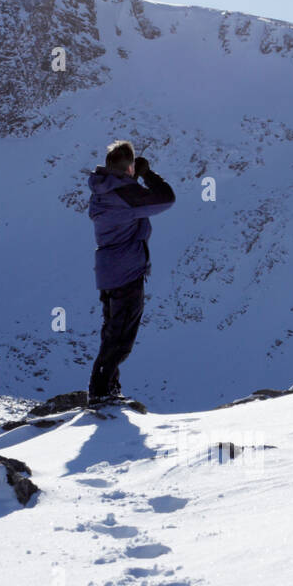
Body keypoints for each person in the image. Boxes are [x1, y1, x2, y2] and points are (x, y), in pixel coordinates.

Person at [86, 139, 176, 404]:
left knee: (113, 331)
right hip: (126, 272)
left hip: (109, 271)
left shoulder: (103, 188)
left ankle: (108, 389)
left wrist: (132, 176)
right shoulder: (124, 193)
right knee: (122, 337)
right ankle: (101, 392)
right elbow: (166, 198)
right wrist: (147, 175)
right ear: (129, 168)